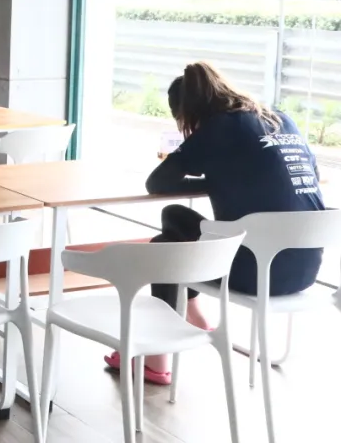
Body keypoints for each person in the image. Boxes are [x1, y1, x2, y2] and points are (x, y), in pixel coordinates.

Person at [101, 62, 326, 385]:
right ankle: (193, 318)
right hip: (305, 266)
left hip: (257, 272)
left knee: (166, 246)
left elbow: (158, 182)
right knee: (176, 217)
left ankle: (157, 356)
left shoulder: (217, 128)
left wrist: (215, 181)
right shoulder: (280, 118)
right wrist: (227, 180)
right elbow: (311, 176)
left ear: (189, 112)